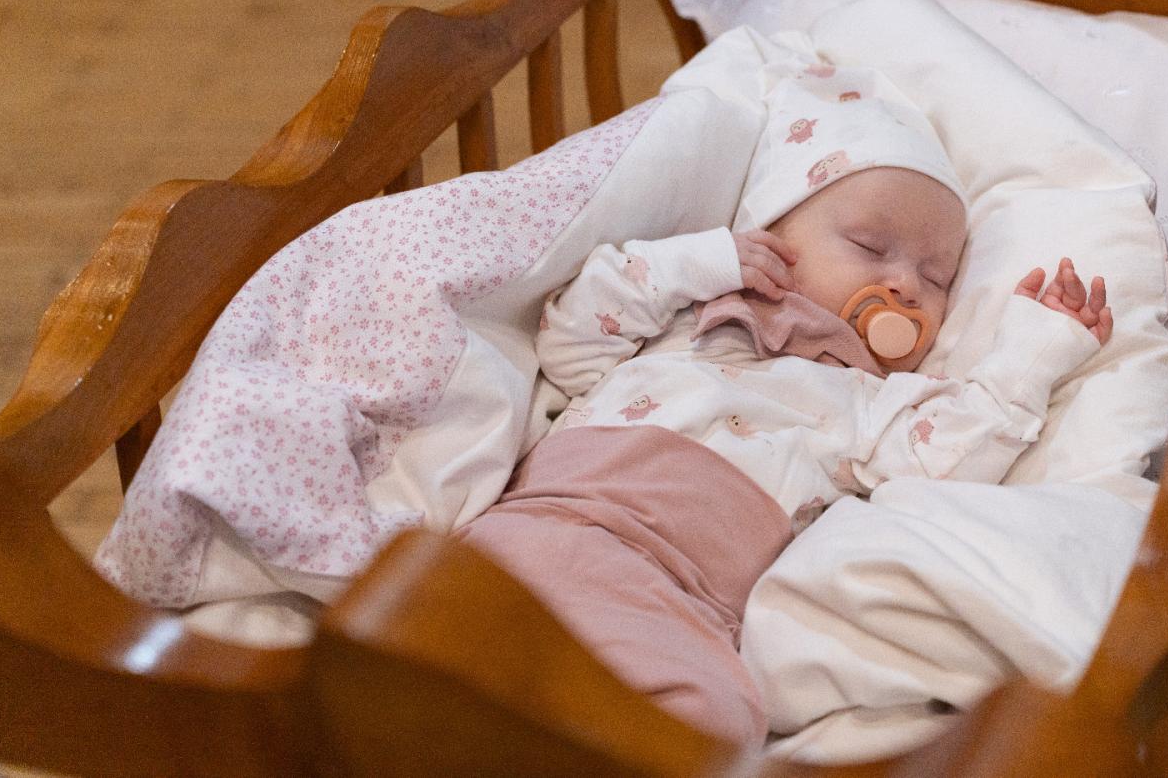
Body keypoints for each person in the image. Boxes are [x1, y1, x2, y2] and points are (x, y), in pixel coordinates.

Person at [454, 63, 1111, 746]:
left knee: (718, 720)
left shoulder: (875, 404)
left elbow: (953, 453)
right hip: (541, 527)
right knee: (431, 626)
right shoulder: (688, 317)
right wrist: (698, 262)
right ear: (771, 234)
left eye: (936, 276)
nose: (904, 285)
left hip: (678, 598)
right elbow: (570, 340)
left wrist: (1035, 350)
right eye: (869, 246)